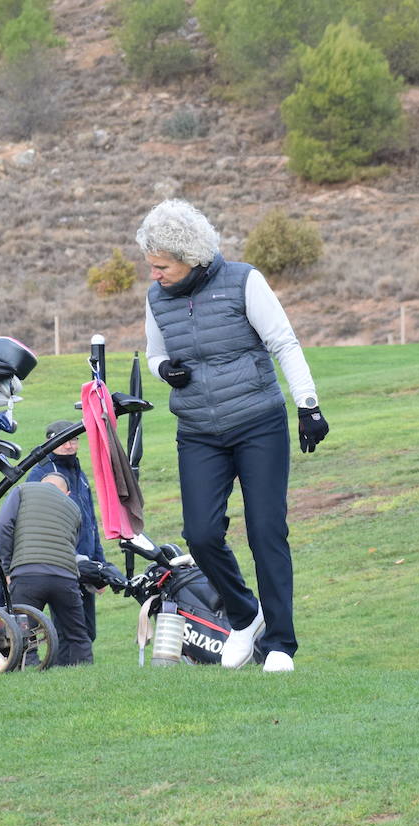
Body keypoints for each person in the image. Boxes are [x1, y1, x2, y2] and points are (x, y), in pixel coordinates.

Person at [135, 199, 327, 673]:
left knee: (266, 530)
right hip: (199, 429)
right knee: (200, 534)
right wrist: (166, 370)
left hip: (257, 421)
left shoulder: (244, 280)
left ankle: (280, 643)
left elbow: (284, 341)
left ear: (190, 257)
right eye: (151, 266)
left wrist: (308, 405)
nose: (154, 275)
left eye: (161, 266)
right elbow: (153, 353)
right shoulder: (156, 297)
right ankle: (245, 615)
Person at [26, 419, 112, 647]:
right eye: (63, 440)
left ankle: (74, 669)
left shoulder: (79, 473)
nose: (69, 445)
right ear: (50, 441)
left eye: (73, 439)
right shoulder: (42, 472)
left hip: (84, 564)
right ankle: (60, 670)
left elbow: (90, 522)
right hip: (58, 562)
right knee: (67, 630)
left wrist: (98, 566)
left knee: (86, 631)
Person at [0, 473, 90, 666]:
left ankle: (28, 669)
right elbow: (74, 543)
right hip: (66, 577)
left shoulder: (23, 490)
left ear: (41, 484)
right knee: (77, 635)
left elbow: (4, 525)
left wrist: (6, 567)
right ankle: (83, 671)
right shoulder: (74, 507)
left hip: (28, 573)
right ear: (67, 493)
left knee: (22, 631)